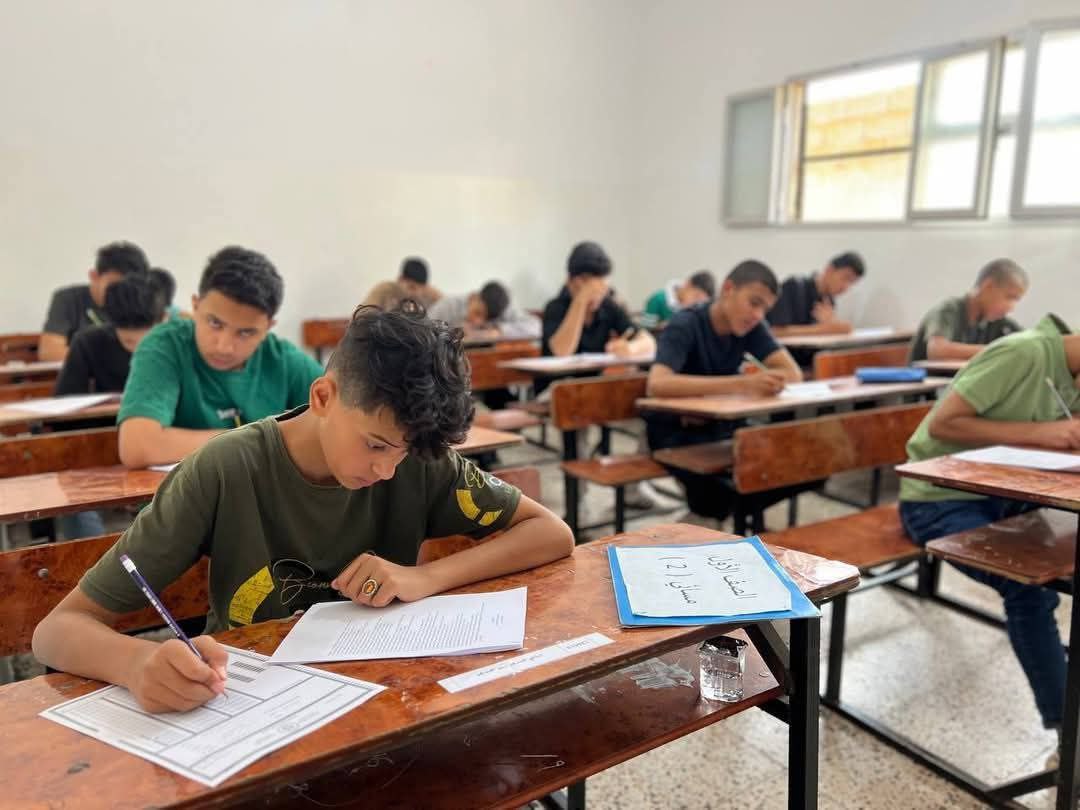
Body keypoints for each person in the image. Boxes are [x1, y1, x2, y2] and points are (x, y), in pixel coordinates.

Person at [32, 303, 574, 713]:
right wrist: (137, 663)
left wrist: (425, 576)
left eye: (402, 454)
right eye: (376, 446)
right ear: (323, 397)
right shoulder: (224, 470)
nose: (388, 470)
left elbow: (551, 532)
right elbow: (56, 631)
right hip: (248, 704)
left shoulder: (417, 455)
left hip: (379, 699)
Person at [899, 313, 1080, 737]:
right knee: (1026, 587)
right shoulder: (1022, 352)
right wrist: (1041, 433)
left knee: (1052, 571)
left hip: (1006, 494)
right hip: (936, 498)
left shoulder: (1071, 374)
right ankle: (1068, 732)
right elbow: (942, 423)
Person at [116, 246, 323, 469]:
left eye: (246, 332)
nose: (224, 347)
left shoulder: (284, 360)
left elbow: (339, 423)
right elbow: (137, 446)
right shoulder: (164, 346)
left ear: (268, 327)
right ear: (195, 306)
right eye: (215, 323)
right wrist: (261, 440)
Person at [645, 260, 803, 524]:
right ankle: (703, 523)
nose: (758, 315)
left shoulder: (751, 326)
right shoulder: (686, 323)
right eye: (754, 303)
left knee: (797, 468)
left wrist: (767, 381)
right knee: (726, 490)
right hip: (677, 433)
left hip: (723, 429)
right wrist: (741, 384)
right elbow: (658, 383)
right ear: (728, 289)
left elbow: (793, 373)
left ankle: (711, 520)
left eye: (765, 309)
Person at [52, 274, 166, 540]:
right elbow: (63, 408)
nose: (138, 351)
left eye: (146, 341)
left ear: (161, 321)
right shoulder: (88, 342)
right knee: (73, 487)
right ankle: (90, 558)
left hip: (156, 445)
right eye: (129, 343)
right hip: (99, 443)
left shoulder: (176, 345)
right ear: (112, 324)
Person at [39, 241, 150, 361]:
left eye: (128, 289)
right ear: (94, 276)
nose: (120, 295)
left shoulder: (143, 302)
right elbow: (49, 352)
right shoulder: (67, 299)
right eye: (114, 286)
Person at [907, 258, 1028, 363]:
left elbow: (1028, 342)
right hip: (931, 381)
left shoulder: (998, 321)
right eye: (1010, 298)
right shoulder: (947, 311)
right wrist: (997, 351)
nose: (1011, 308)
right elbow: (937, 351)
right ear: (988, 287)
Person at [767, 251, 866, 337]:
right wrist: (825, 329)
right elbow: (774, 332)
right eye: (845, 278)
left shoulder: (828, 301)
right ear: (829, 270)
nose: (846, 287)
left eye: (852, 283)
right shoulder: (794, 286)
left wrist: (831, 325)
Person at [428, 281, 540, 339]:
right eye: (477, 313)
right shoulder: (449, 305)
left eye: (486, 320)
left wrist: (500, 330)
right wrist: (453, 333)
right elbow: (423, 330)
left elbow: (536, 327)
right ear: (473, 297)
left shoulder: (503, 310)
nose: (478, 322)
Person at [363, 257, 442, 311]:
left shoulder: (430, 296)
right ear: (400, 280)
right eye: (411, 287)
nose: (415, 293)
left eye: (421, 289)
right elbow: (364, 317)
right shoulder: (385, 290)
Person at [643, 271, 716, 323]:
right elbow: (646, 328)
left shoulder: (696, 308)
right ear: (688, 284)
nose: (695, 303)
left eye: (700, 302)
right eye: (696, 296)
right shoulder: (657, 299)